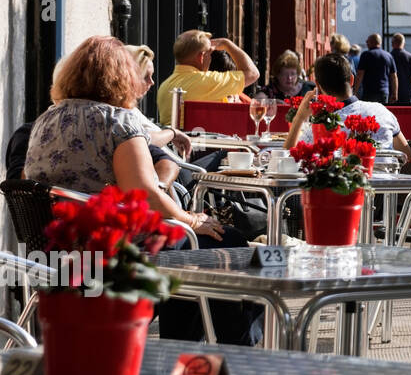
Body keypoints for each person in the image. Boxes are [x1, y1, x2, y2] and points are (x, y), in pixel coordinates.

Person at [23, 36, 261, 345]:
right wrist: (191, 219)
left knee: (191, 247)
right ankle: (227, 351)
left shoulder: (45, 121)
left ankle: (187, 349)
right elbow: (145, 194)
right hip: (113, 252)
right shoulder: (118, 123)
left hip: (54, 251)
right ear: (123, 77)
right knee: (227, 244)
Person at [285, 52, 411, 155]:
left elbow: (287, 160)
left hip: (344, 186)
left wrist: (300, 117)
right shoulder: (381, 110)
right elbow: (406, 154)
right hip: (388, 184)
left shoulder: (320, 128)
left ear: (317, 85)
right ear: (352, 79)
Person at [124, 44, 194, 191]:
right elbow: (145, 138)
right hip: (174, 182)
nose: (152, 82)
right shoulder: (121, 115)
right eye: (145, 77)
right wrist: (172, 132)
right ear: (128, 76)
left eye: (151, 76)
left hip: (174, 175)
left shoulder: (128, 110)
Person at [157, 30, 259, 128]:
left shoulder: (164, 85)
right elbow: (253, 73)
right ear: (202, 56)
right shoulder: (207, 81)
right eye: (210, 52)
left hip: (171, 143)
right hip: (200, 143)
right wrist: (227, 43)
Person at [354, 33, 398, 104]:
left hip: (369, 92)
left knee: (369, 113)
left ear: (372, 42)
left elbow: (360, 74)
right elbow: (394, 76)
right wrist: (395, 93)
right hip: (383, 92)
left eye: (367, 41)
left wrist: (355, 91)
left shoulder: (366, 55)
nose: (366, 43)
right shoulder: (388, 56)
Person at [389, 33, 411, 106]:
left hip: (391, 92)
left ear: (392, 43)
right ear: (403, 43)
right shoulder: (410, 57)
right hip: (407, 92)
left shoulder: (388, 57)